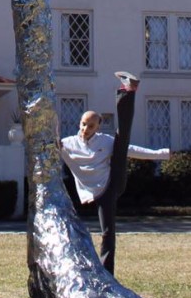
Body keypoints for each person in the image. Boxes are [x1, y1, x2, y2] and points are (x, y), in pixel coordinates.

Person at [60, 71, 170, 274]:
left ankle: (128, 91)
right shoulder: (67, 144)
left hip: (110, 185)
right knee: (90, 230)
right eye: (84, 124)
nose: (86, 128)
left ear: (98, 126)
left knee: (107, 232)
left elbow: (132, 150)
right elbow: (47, 146)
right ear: (79, 123)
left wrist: (163, 154)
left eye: (91, 125)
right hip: (89, 190)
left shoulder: (105, 141)